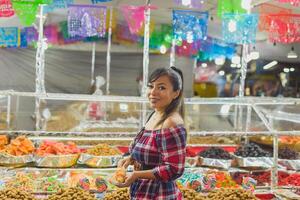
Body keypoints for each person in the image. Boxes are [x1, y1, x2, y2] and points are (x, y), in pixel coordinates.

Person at [116, 66, 187, 200]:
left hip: (160, 195)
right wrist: (131, 158)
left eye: (161, 88)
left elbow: (173, 169)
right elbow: (151, 152)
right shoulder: (154, 115)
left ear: (175, 93)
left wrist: (137, 175)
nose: (153, 92)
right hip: (143, 192)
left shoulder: (171, 123)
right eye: (150, 86)